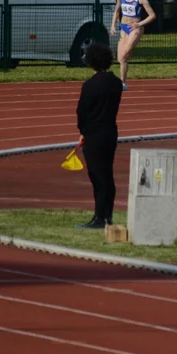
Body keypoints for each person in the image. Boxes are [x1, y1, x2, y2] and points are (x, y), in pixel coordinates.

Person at [75, 42, 124, 229]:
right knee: (107, 175)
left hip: (94, 134)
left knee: (97, 177)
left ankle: (99, 218)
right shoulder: (116, 83)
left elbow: (82, 111)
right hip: (110, 131)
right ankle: (107, 215)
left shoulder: (90, 85)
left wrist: (83, 131)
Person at [109, 0, 156, 91]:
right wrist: (113, 26)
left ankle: (122, 83)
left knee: (125, 54)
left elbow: (152, 15)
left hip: (135, 29)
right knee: (121, 58)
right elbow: (116, 12)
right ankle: (123, 82)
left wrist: (139, 24)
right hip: (123, 27)